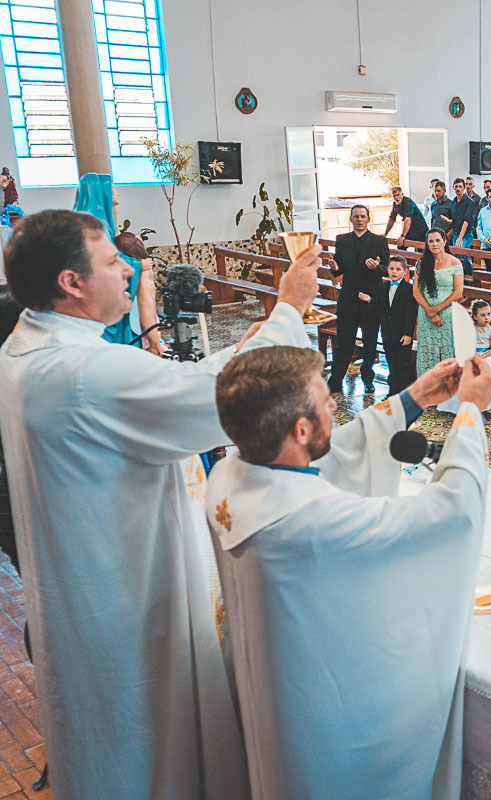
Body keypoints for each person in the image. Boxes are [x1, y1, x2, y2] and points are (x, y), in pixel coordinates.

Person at [0, 208, 319, 799]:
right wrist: (289, 310)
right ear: (70, 283)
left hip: (80, 583)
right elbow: (208, 402)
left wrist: (242, 351)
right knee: (145, 744)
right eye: (110, 261)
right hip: (121, 595)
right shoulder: (79, 370)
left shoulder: (27, 345)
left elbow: (161, 395)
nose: (128, 270)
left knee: (111, 744)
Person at [207, 349, 491, 800]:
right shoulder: (308, 523)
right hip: (327, 731)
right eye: (325, 401)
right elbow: (450, 513)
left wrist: (415, 397)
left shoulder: (229, 474)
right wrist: (471, 414)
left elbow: (333, 450)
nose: (335, 406)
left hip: (275, 695)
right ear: (299, 430)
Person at [72, 173, 155, 346]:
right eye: (113, 189)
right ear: (100, 192)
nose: (117, 193)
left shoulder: (85, 221)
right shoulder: (96, 224)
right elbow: (103, 262)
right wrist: (139, 264)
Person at [328, 204, 390, 394]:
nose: (360, 219)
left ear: (368, 219)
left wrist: (376, 268)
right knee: (344, 343)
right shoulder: (342, 240)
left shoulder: (379, 241)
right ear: (351, 219)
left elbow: (387, 269)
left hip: (371, 299)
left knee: (370, 344)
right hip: (348, 300)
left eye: (363, 216)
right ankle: (336, 380)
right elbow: (339, 270)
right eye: (356, 216)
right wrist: (334, 267)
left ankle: (368, 379)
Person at [414, 229, 464, 376]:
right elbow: (416, 291)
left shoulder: (455, 262)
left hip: (446, 313)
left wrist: (436, 309)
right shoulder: (421, 263)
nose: (434, 244)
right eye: (431, 241)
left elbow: (458, 292)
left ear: (444, 241)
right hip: (425, 313)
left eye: (437, 240)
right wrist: (429, 311)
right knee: (428, 350)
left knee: (446, 348)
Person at [368, 256, 419, 395]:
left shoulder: (409, 289)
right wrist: (370, 300)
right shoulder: (382, 287)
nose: (394, 272)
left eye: (398, 269)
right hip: (387, 332)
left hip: (403, 333)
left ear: (405, 271)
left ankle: (405, 394)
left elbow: (410, 313)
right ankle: (393, 392)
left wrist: (408, 333)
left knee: (404, 365)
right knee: (392, 363)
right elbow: (379, 310)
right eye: (391, 269)